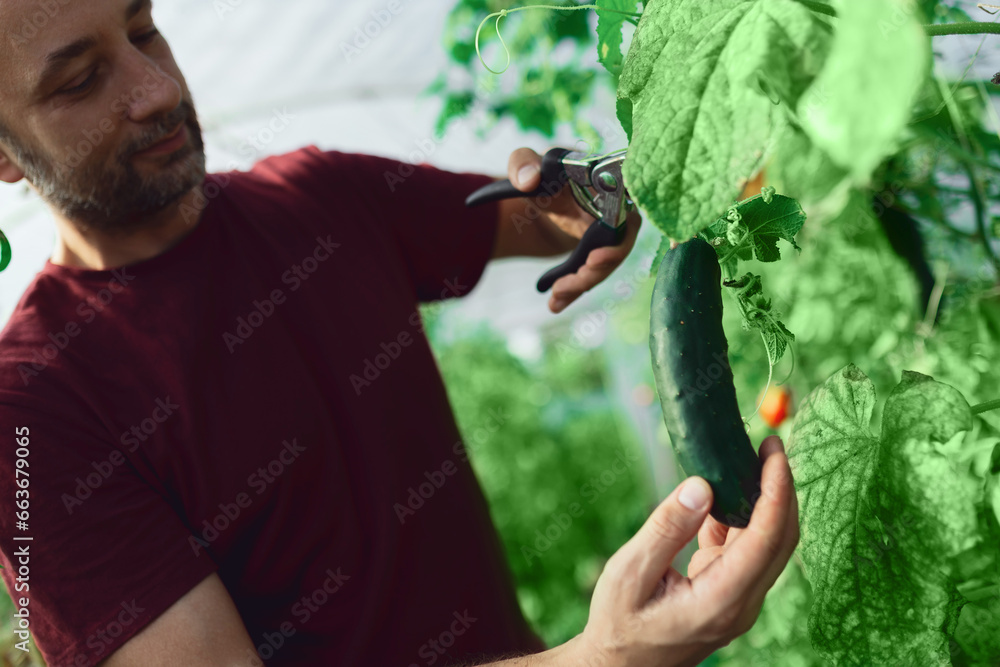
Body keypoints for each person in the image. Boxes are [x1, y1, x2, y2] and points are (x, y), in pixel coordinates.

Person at [0, 1, 800, 665]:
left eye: (143, 30)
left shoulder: (319, 198)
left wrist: (599, 190)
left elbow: (549, 215)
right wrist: (603, 658)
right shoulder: (31, 414)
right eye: (79, 81)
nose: (152, 89)